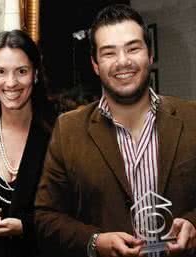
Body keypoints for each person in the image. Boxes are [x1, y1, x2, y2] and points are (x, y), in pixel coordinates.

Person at [34, 4, 196, 257]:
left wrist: (194, 225)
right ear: (95, 64)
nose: (123, 62)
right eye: (109, 53)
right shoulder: (68, 129)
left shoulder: (192, 118)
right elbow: (46, 217)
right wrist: (95, 241)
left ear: (150, 55)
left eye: (133, 48)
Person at [0, 29, 56, 257]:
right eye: (1, 72)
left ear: (35, 74)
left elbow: (73, 212)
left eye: (21, 71)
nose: (11, 82)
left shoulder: (59, 135)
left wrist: (25, 226)